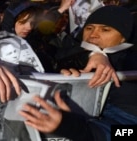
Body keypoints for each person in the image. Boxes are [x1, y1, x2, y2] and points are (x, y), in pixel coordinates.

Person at [20, 5, 137, 141]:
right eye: (89, 28)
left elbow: (127, 132)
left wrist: (72, 127)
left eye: (106, 30)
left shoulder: (130, 68)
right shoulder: (69, 54)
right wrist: (94, 54)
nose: (93, 34)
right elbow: (33, 47)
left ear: (124, 38)